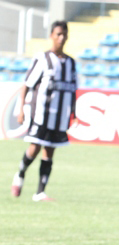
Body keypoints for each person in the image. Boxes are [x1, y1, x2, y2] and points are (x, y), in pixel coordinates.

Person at [11, 20, 77, 201]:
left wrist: (74, 114)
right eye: (58, 34)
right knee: (34, 148)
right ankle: (20, 174)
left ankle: (40, 192)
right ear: (51, 36)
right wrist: (21, 108)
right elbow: (27, 85)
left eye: (64, 34)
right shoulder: (43, 59)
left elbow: (72, 90)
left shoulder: (71, 63)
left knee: (50, 151)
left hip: (60, 117)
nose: (61, 38)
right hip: (41, 114)